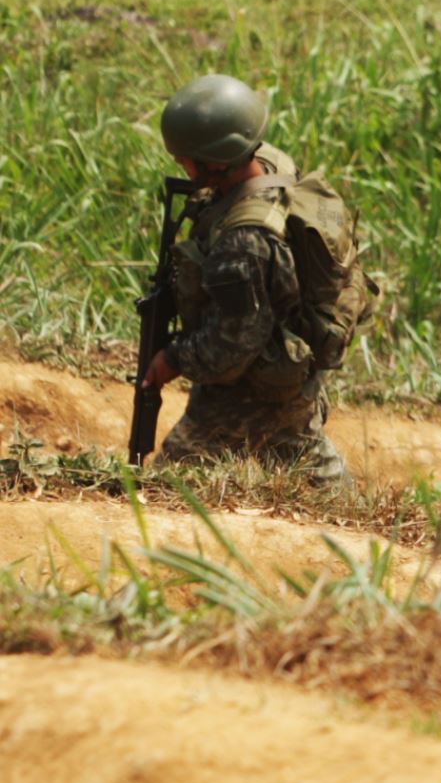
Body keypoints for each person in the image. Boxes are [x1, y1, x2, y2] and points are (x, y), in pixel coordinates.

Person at [139, 74, 350, 484]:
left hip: (256, 393)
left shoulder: (244, 244)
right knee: (307, 462)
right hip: (293, 371)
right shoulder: (269, 164)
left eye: (187, 159)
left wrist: (173, 359)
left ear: (216, 161)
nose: (182, 165)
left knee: (170, 485)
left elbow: (233, 347)